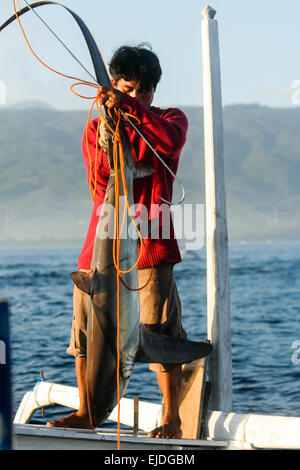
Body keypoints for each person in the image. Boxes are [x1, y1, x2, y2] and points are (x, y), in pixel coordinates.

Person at [47, 44, 189, 439]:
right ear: (113, 84)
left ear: (154, 92)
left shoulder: (170, 119)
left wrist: (130, 113)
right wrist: (115, 125)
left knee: (159, 333)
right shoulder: (97, 127)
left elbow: (167, 144)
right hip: (102, 245)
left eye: (143, 92)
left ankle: (172, 418)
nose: (135, 97)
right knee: (84, 334)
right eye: (127, 90)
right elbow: (99, 184)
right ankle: (87, 411)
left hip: (152, 240)